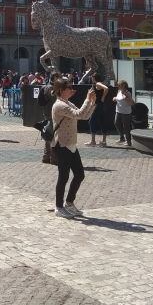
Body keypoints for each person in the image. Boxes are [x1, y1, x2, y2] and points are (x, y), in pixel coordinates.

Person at [51, 78, 97, 218]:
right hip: (62, 145)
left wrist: (92, 103)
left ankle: (69, 203)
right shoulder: (59, 105)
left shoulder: (67, 103)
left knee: (79, 174)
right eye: (69, 88)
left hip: (71, 144)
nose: (72, 90)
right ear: (61, 90)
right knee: (63, 176)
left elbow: (84, 116)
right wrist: (87, 100)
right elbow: (79, 114)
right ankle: (59, 207)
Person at [84, 74, 109, 147]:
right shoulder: (95, 85)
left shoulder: (98, 83)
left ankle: (93, 141)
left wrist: (103, 98)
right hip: (99, 105)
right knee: (102, 122)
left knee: (92, 121)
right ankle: (104, 141)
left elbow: (106, 89)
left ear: (95, 78)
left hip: (98, 106)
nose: (91, 79)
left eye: (92, 77)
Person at [112, 80, 134, 146]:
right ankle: (122, 138)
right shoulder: (119, 92)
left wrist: (126, 99)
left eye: (119, 85)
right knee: (116, 123)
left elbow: (132, 103)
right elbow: (118, 99)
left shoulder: (127, 93)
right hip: (118, 111)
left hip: (126, 113)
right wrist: (115, 98)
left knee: (126, 127)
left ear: (123, 85)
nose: (117, 86)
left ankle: (128, 141)